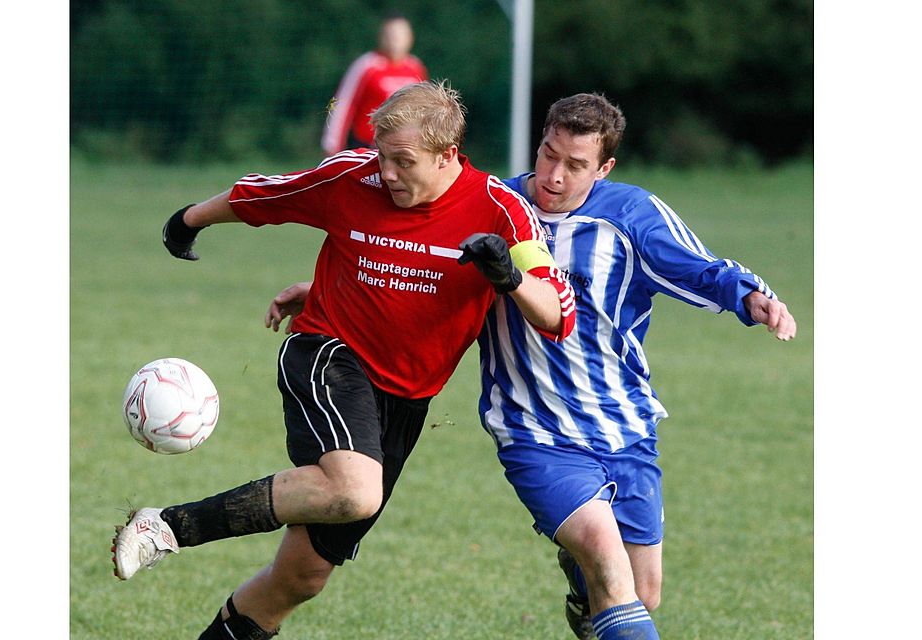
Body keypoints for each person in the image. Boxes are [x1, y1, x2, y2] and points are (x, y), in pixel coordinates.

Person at [267, 93, 796, 640]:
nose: (555, 175)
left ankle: (580, 583)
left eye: (576, 165)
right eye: (549, 155)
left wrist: (752, 297)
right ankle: (587, 562)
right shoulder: (496, 206)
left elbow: (702, 269)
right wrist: (327, 290)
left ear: (605, 168)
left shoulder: (632, 217)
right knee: (605, 558)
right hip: (533, 427)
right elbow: (416, 264)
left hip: (623, 424)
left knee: (641, 592)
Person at [111, 80, 576, 640]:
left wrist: (509, 276)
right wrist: (189, 220)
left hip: (405, 401)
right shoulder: (353, 176)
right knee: (355, 490)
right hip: (327, 353)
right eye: (382, 157)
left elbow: (556, 314)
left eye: (404, 161)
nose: (388, 173)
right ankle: (166, 527)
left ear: (448, 154)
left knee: (300, 578)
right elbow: (267, 195)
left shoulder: (501, 211)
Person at [320, 13, 428, 156]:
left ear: (410, 38)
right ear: (381, 37)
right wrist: (332, 143)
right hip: (367, 147)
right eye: (390, 35)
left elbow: (425, 109)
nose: (395, 41)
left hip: (404, 149)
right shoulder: (367, 65)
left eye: (400, 35)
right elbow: (343, 103)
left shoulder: (416, 68)